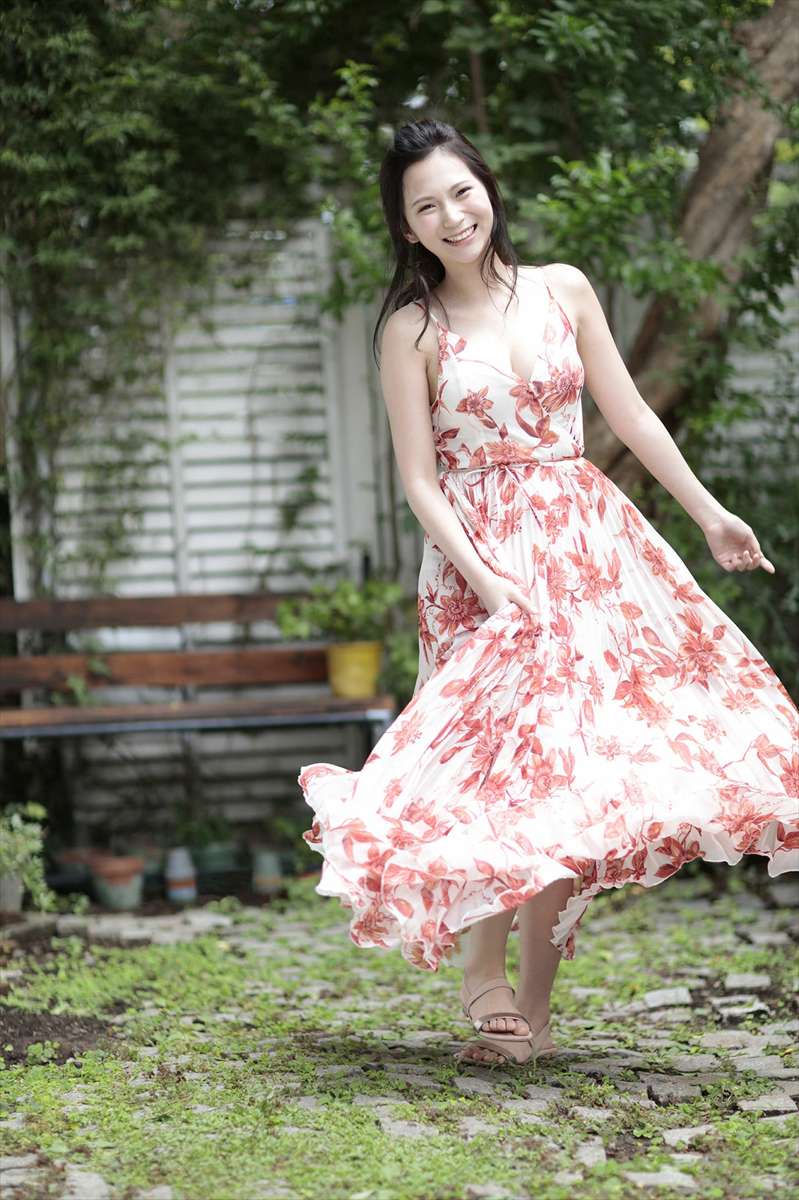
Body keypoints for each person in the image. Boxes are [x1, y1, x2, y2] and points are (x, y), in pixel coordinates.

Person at [297, 118, 799, 1068]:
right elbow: (419, 481)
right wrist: (486, 581)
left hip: (585, 550)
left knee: (571, 779)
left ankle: (533, 1012)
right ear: (406, 227)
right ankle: (480, 971)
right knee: (499, 774)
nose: (451, 215)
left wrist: (709, 514)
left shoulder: (563, 287)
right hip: (479, 561)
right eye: (425, 206)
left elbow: (629, 412)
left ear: (487, 189)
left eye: (461, 192)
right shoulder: (411, 329)